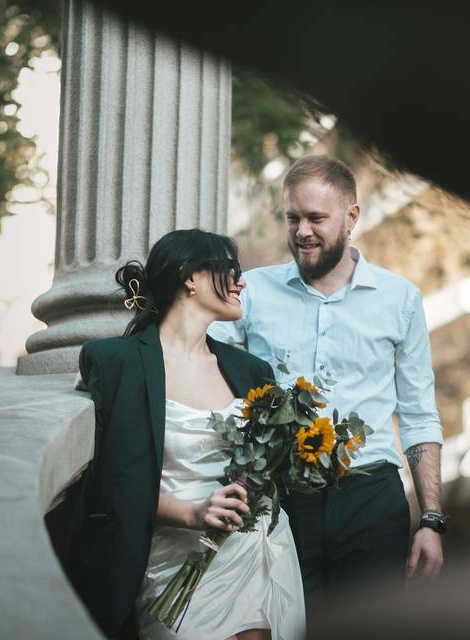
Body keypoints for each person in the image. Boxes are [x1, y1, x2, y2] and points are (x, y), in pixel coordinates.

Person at [208, 155, 446, 606]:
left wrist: (431, 521)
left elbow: (418, 416)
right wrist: (123, 359)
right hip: (280, 501)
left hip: (372, 498)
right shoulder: (251, 291)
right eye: (292, 217)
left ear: (351, 216)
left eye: (316, 218)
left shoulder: (401, 300)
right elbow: (192, 348)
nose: (302, 231)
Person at [46, 229, 305, 640]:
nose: (242, 281)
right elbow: (112, 482)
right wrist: (193, 513)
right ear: (190, 276)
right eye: (231, 269)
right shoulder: (116, 363)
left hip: (253, 551)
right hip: (169, 560)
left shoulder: (253, 372)